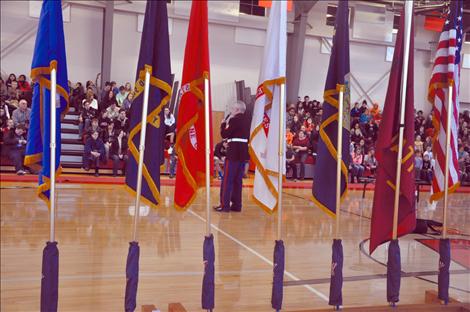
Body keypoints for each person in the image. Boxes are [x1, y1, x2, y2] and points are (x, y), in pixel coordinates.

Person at [214, 100, 250, 213]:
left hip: (233, 152)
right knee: (237, 180)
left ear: (237, 110)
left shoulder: (234, 120)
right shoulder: (248, 120)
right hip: (243, 153)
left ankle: (224, 205)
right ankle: (237, 205)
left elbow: (224, 134)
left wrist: (223, 124)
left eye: (232, 109)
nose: (231, 111)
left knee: (227, 180)